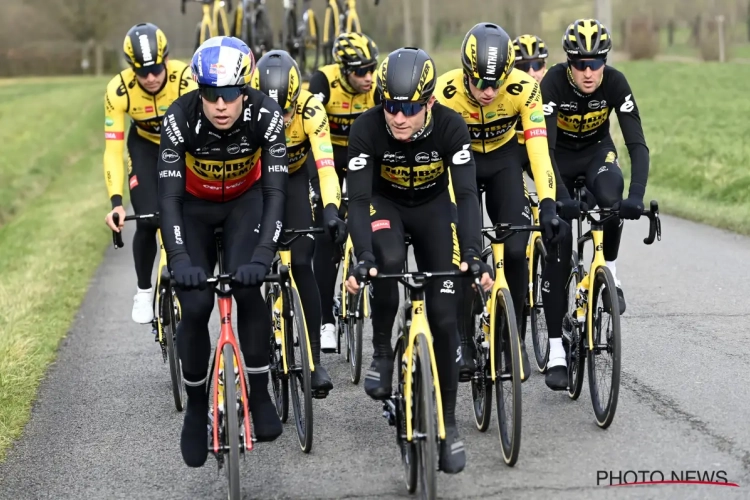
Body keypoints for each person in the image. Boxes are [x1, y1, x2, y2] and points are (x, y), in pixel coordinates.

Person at [344, 47, 493, 474]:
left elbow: (466, 196)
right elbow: (356, 201)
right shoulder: (366, 129)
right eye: (390, 106)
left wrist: (472, 254)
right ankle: (381, 354)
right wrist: (361, 257)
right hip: (384, 206)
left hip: (433, 209)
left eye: (409, 108)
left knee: (446, 319)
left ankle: (447, 423)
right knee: (385, 261)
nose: (398, 118)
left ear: (429, 102)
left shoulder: (451, 125)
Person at [158, 36, 288, 467]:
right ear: (198, 90)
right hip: (193, 208)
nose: (219, 104)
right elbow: (169, 200)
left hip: (244, 202)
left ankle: (260, 391)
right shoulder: (178, 119)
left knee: (247, 286)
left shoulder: (266, 115)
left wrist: (263, 254)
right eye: (210, 94)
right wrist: (178, 260)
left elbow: (274, 192)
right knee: (194, 306)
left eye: (230, 94)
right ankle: (196, 410)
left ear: (245, 90)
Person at [434, 23, 568, 382]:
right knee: (464, 250)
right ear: (466, 73)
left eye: (496, 83)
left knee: (515, 247)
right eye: (479, 83)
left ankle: (513, 339)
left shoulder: (523, 89)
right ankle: (463, 339)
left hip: (503, 161)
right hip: (459, 165)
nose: (489, 92)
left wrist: (550, 203)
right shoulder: (444, 92)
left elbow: (539, 153)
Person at [540, 19, 650, 390]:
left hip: (597, 154)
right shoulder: (552, 83)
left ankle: (611, 273)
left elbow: (637, 143)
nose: (589, 72)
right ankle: (556, 349)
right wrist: (561, 199)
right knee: (558, 243)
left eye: (596, 62)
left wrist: (635, 196)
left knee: (611, 199)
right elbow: (545, 150)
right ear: (569, 62)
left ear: (605, 60)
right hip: (558, 160)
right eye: (580, 63)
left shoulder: (616, 82)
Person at [250, 49, 347, 394]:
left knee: (302, 260)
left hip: (292, 179)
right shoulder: (244, 105)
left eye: (287, 112)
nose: (282, 120)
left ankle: (313, 361)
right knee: (250, 266)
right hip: (254, 181)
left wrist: (332, 208)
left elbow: (324, 165)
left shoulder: (310, 107)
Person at [103, 23, 197, 324]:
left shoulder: (185, 78)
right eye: (143, 72)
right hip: (144, 146)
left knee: (189, 211)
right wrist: (116, 202)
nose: (152, 77)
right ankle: (144, 291)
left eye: (157, 68)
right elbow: (113, 151)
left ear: (166, 58)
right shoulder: (118, 90)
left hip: (182, 144)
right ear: (132, 69)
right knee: (146, 218)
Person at [307, 32, 381, 352]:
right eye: (360, 72)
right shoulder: (323, 81)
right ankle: (326, 320)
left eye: (371, 69)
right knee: (327, 232)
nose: (368, 77)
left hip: (363, 155)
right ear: (343, 69)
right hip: (328, 156)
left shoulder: (377, 86)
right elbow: (313, 132)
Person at [512, 34, 549, 177]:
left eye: (537, 65)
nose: (531, 73)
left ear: (544, 66)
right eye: (523, 67)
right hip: (513, 149)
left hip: (543, 147)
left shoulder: (554, 88)